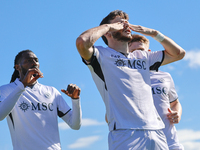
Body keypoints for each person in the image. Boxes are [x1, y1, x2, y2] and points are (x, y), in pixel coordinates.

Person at [76, 10, 185, 150]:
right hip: (125, 133)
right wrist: (108, 27)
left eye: (126, 23)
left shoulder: (142, 56)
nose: (126, 26)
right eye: (120, 24)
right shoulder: (101, 55)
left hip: (157, 132)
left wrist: (153, 33)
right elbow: (82, 42)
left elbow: (178, 54)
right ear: (108, 32)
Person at [0, 50, 82, 150]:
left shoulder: (52, 91)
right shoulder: (6, 90)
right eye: (28, 60)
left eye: (36, 60)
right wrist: (22, 86)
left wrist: (75, 100)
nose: (34, 63)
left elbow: (75, 125)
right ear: (18, 67)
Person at [128, 34, 184, 150]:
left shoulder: (165, 76)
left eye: (141, 50)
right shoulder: (125, 80)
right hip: (142, 144)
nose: (138, 54)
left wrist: (177, 113)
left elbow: (175, 103)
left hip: (171, 143)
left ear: (149, 52)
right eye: (133, 51)